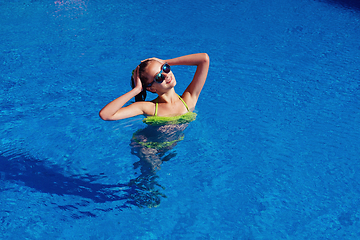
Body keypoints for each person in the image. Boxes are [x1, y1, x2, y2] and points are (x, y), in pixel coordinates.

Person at [99, 53, 210, 122]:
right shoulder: (149, 107)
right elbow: (106, 114)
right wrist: (136, 90)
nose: (167, 75)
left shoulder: (188, 99)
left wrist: (166, 61)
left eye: (165, 68)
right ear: (151, 89)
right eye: (159, 77)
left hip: (171, 149)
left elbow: (204, 59)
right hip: (148, 147)